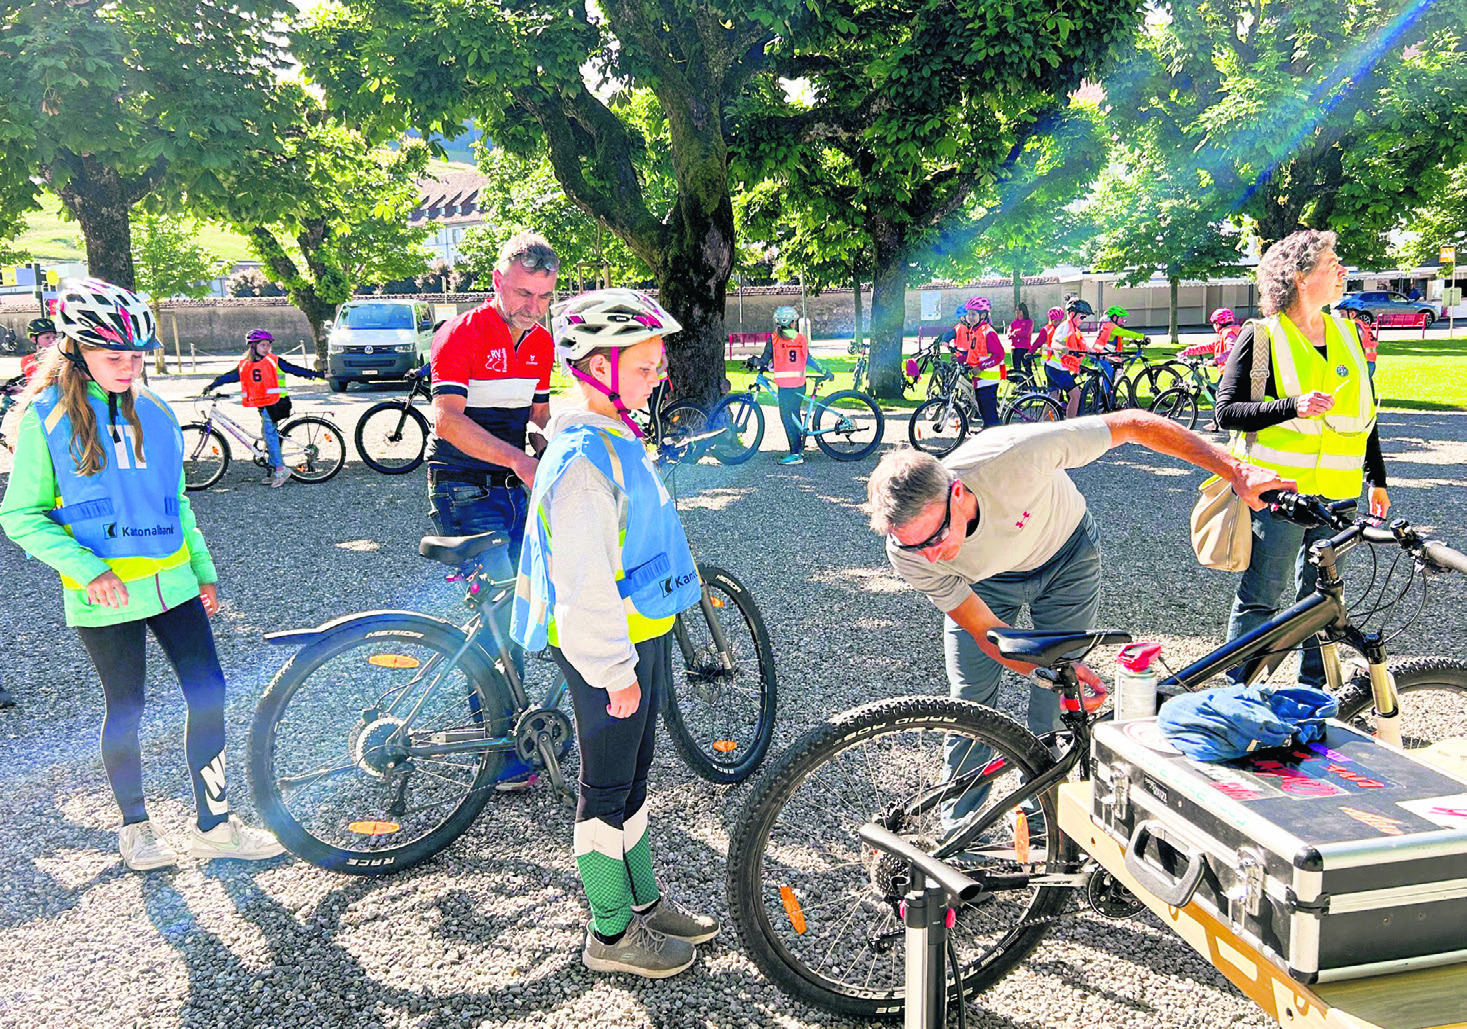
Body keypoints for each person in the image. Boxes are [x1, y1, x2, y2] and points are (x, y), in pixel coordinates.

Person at [865, 412, 1288, 830]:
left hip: (1067, 556)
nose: (931, 556)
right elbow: (985, 633)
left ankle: (1043, 812)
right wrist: (1040, 666)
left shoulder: (1015, 454)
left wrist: (1235, 470)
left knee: (1055, 701)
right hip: (985, 583)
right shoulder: (908, 553)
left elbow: (1134, 424)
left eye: (936, 537)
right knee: (971, 699)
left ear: (957, 493)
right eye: (914, 546)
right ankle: (958, 823)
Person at [0, 279, 285, 870]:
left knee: (209, 693)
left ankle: (215, 825)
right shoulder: (42, 420)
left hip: (174, 584)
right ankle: (136, 828)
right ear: (77, 350)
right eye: (115, 357)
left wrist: (202, 570)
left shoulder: (156, 410)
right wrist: (84, 569)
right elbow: (20, 515)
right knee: (125, 707)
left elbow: (176, 500)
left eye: (137, 355)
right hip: (102, 594)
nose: (130, 368)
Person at [509, 288, 718, 978]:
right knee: (604, 788)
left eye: (658, 364)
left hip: (640, 633)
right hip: (608, 648)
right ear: (594, 365)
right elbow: (583, 582)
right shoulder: (581, 464)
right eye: (642, 365)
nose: (658, 376)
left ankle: (644, 904)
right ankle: (609, 933)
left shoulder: (612, 433)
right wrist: (612, 669)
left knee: (632, 777)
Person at [1215, 229, 1388, 689]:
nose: (1342, 271)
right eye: (1332, 263)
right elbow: (1226, 411)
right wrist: (1292, 405)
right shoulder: (1263, 335)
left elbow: (1365, 416)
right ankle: (1239, 694)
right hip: (1279, 495)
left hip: (1339, 496)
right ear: (1299, 275)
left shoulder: (1350, 334)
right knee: (1262, 598)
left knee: (1322, 598)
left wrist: (1378, 479)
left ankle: (1313, 693)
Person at [428, 231, 559, 789]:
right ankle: (500, 754)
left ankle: (518, 727)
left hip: (511, 484)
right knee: (501, 617)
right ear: (498, 281)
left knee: (529, 601)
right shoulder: (462, 332)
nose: (533, 308)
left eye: (544, 297)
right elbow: (447, 421)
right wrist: (519, 461)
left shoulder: (541, 342)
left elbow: (539, 418)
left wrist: (559, 447)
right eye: (524, 293)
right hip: (463, 484)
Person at [202, 329, 323, 487]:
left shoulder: (274, 361)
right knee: (266, 435)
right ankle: (273, 469)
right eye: (262, 345)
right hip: (264, 404)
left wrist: (314, 374)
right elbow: (231, 376)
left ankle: (281, 470)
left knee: (270, 435)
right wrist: (214, 383)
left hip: (277, 403)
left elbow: (294, 369)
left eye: (268, 345)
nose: (266, 348)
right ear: (253, 347)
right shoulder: (246, 365)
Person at [756, 305, 827, 465]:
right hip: (800, 384)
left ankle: (795, 454)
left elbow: (764, 360)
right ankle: (798, 447)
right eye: (794, 321)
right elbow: (809, 359)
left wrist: (756, 362)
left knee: (787, 417)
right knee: (794, 416)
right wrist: (825, 370)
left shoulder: (773, 339)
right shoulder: (800, 338)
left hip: (785, 387)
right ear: (792, 322)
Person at [955, 298, 1005, 428]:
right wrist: (960, 358)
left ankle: (996, 440)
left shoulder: (988, 332)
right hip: (979, 378)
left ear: (982, 315)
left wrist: (981, 367)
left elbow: (999, 355)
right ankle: (989, 434)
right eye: (968, 314)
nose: (969, 317)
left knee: (989, 414)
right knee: (983, 411)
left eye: (973, 314)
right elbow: (975, 352)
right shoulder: (975, 330)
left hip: (988, 379)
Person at [1006, 303, 1035, 379]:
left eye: (1019, 310)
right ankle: (1022, 386)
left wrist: (1017, 333)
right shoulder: (1013, 323)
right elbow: (1009, 334)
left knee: (1028, 370)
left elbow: (1027, 333)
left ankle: (1032, 386)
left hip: (1025, 348)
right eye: (1016, 310)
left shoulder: (1029, 321)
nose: (1017, 312)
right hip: (1015, 348)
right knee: (1017, 370)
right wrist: (1015, 333)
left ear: (1024, 311)